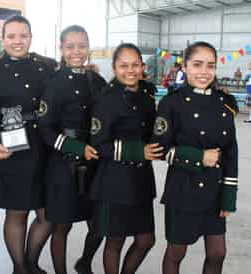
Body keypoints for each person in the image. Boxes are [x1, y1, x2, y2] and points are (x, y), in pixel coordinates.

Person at [0, 15, 58, 274]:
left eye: (23, 35)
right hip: (11, 151)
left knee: (48, 215)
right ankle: (20, 268)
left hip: (45, 148)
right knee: (17, 214)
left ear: (31, 38)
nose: (17, 41)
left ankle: (31, 261)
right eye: (11, 36)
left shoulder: (47, 66)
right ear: (3, 39)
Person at [151, 41, 238, 274]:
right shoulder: (171, 103)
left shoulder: (225, 104)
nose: (204, 71)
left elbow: (231, 150)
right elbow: (159, 148)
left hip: (215, 189)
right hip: (183, 189)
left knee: (217, 253)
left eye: (210, 65)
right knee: (176, 252)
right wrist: (199, 157)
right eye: (197, 64)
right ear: (186, 67)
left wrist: (229, 194)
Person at [38, 25, 106, 274]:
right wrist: (76, 147)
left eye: (82, 46)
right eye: (70, 46)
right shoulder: (54, 83)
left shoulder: (96, 80)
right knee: (62, 226)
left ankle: (84, 262)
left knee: (99, 223)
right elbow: (45, 128)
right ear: (62, 49)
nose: (77, 51)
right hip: (63, 164)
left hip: (95, 163)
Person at [90, 43, 161, 274]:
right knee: (115, 242)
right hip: (114, 183)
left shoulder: (146, 96)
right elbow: (99, 144)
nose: (130, 70)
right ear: (114, 67)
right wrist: (138, 151)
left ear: (142, 66)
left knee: (145, 240)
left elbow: (154, 132)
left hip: (141, 181)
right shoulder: (106, 99)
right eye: (123, 65)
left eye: (135, 65)